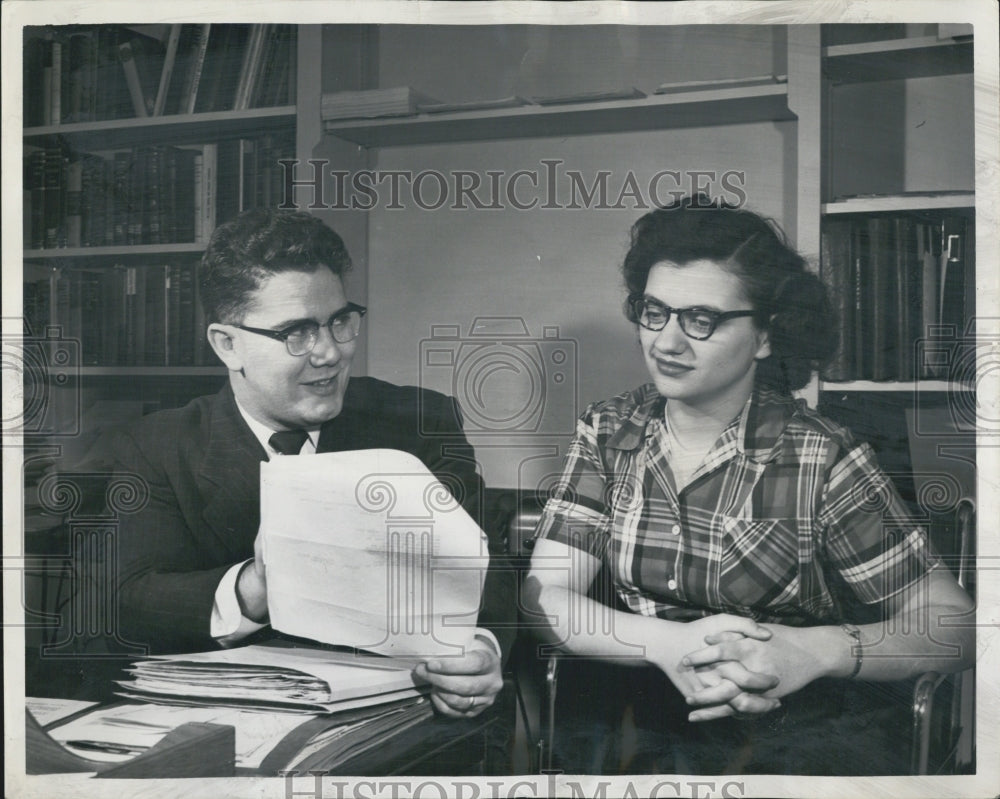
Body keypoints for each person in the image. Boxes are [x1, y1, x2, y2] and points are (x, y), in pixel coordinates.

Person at [524, 195, 974, 774]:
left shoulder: (820, 453)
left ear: (765, 337)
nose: (665, 342)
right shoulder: (609, 429)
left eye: (701, 319)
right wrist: (668, 646)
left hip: (797, 718)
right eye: (653, 311)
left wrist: (814, 651)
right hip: (644, 704)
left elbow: (955, 624)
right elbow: (543, 599)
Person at [110, 208, 512, 719]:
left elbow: (487, 573)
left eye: (340, 322)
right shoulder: (154, 448)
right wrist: (256, 585)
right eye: (296, 333)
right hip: (230, 734)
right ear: (227, 344)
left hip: (401, 723)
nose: (330, 354)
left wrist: (481, 649)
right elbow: (128, 600)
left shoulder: (417, 421)